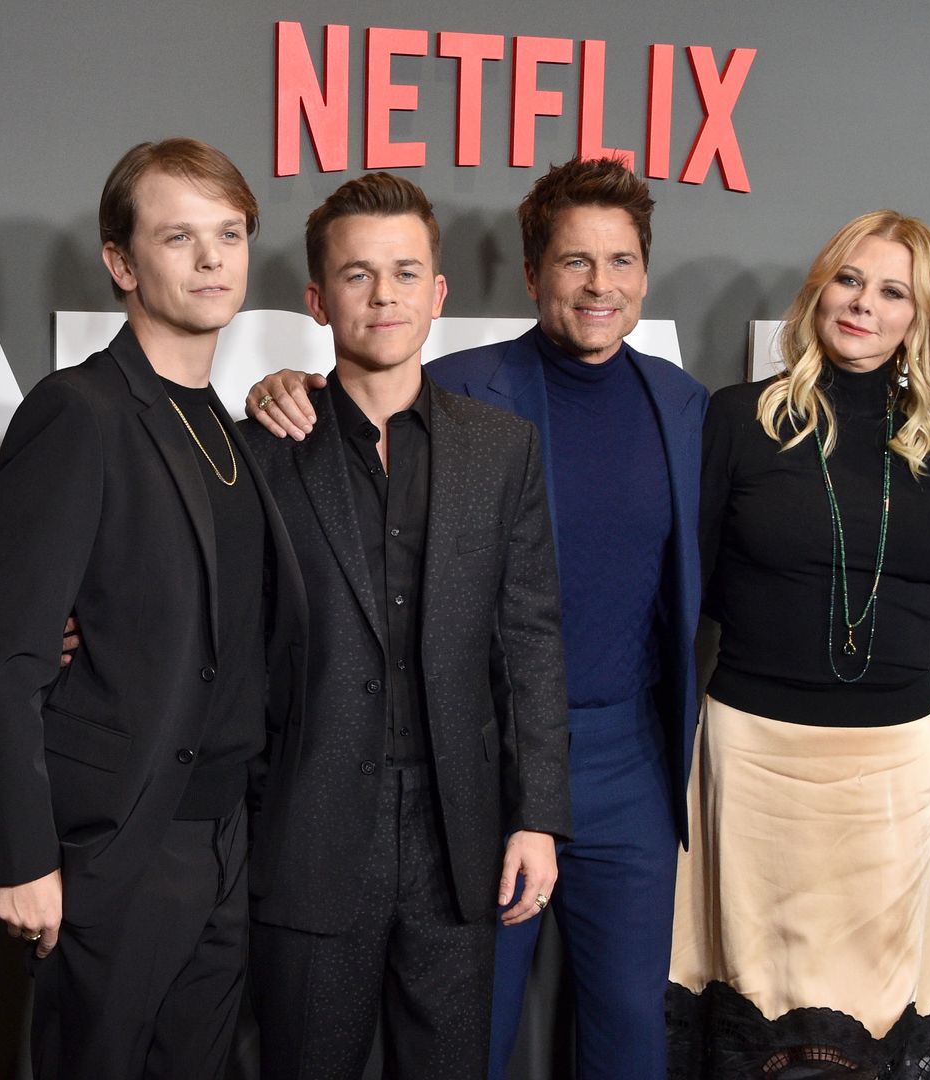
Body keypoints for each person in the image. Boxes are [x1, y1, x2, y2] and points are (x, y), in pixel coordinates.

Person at [247, 156, 707, 1080]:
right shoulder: (451, 389)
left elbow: (563, 619)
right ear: (533, 274)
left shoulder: (682, 406)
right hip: (468, 765)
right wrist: (276, 392)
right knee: (463, 1035)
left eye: (620, 261)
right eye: (575, 261)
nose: (600, 283)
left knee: (627, 1029)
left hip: (626, 758)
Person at [0, 138, 307, 1079]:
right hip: (117, 846)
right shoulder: (81, 411)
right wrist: (24, 860)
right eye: (179, 236)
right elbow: (5, 656)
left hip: (227, 838)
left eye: (229, 234)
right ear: (123, 263)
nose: (211, 259)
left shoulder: (236, 431)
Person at [240, 172, 571, 1080]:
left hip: (457, 830)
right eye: (356, 275)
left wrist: (536, 814)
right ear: (317, 299)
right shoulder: (263, 448)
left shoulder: (501, 449)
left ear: (439, 293)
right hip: (307, 823)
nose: (383, 295)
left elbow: (531, 637)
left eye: (404, 272)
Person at [667, 210, 930, 1078]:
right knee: (753, 1014)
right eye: (850, 279)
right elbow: (688, 600)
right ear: (820, 289)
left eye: (893, 290)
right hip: (753, 766)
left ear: (920, 316)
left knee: (879, 1023)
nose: (864, 304)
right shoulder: (740, 419)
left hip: (896, 778)